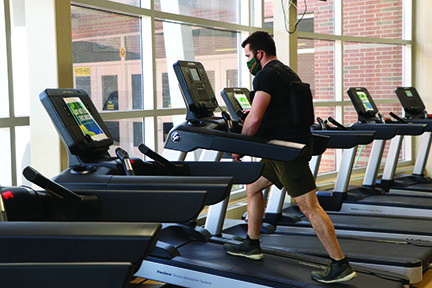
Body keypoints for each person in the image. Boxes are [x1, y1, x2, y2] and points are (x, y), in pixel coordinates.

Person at [223, 31, 357, 284]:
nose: (248, 61)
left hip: (285, 151)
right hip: (288, 146)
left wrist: (239, 146)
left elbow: (254, 119)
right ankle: (252, 244)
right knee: (253, 187)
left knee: (309, 206)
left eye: (248, 56)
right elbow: (279, 109)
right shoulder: (286, 72)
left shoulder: (264, 75)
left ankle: (340, 264)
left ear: (259, 54)